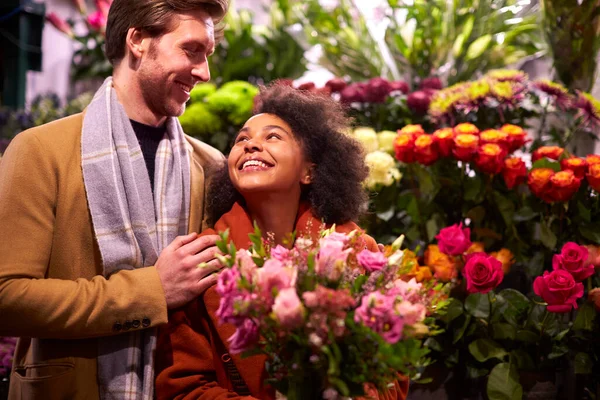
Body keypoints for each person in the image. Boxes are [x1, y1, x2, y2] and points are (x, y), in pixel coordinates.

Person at [0, 0, 229, 398]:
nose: (205, 73)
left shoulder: (211, 165)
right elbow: (7, 297)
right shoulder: (39, 150)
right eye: (192, 50)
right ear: (138, 40)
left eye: (207, 56)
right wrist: (151, 291)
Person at [154, 84, 409, 400]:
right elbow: (181, 387)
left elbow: (391, 377)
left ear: (309, 171)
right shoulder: (202, 259)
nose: (251, 146)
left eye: (272, 137)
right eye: (242, 139)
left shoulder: (358, 250)